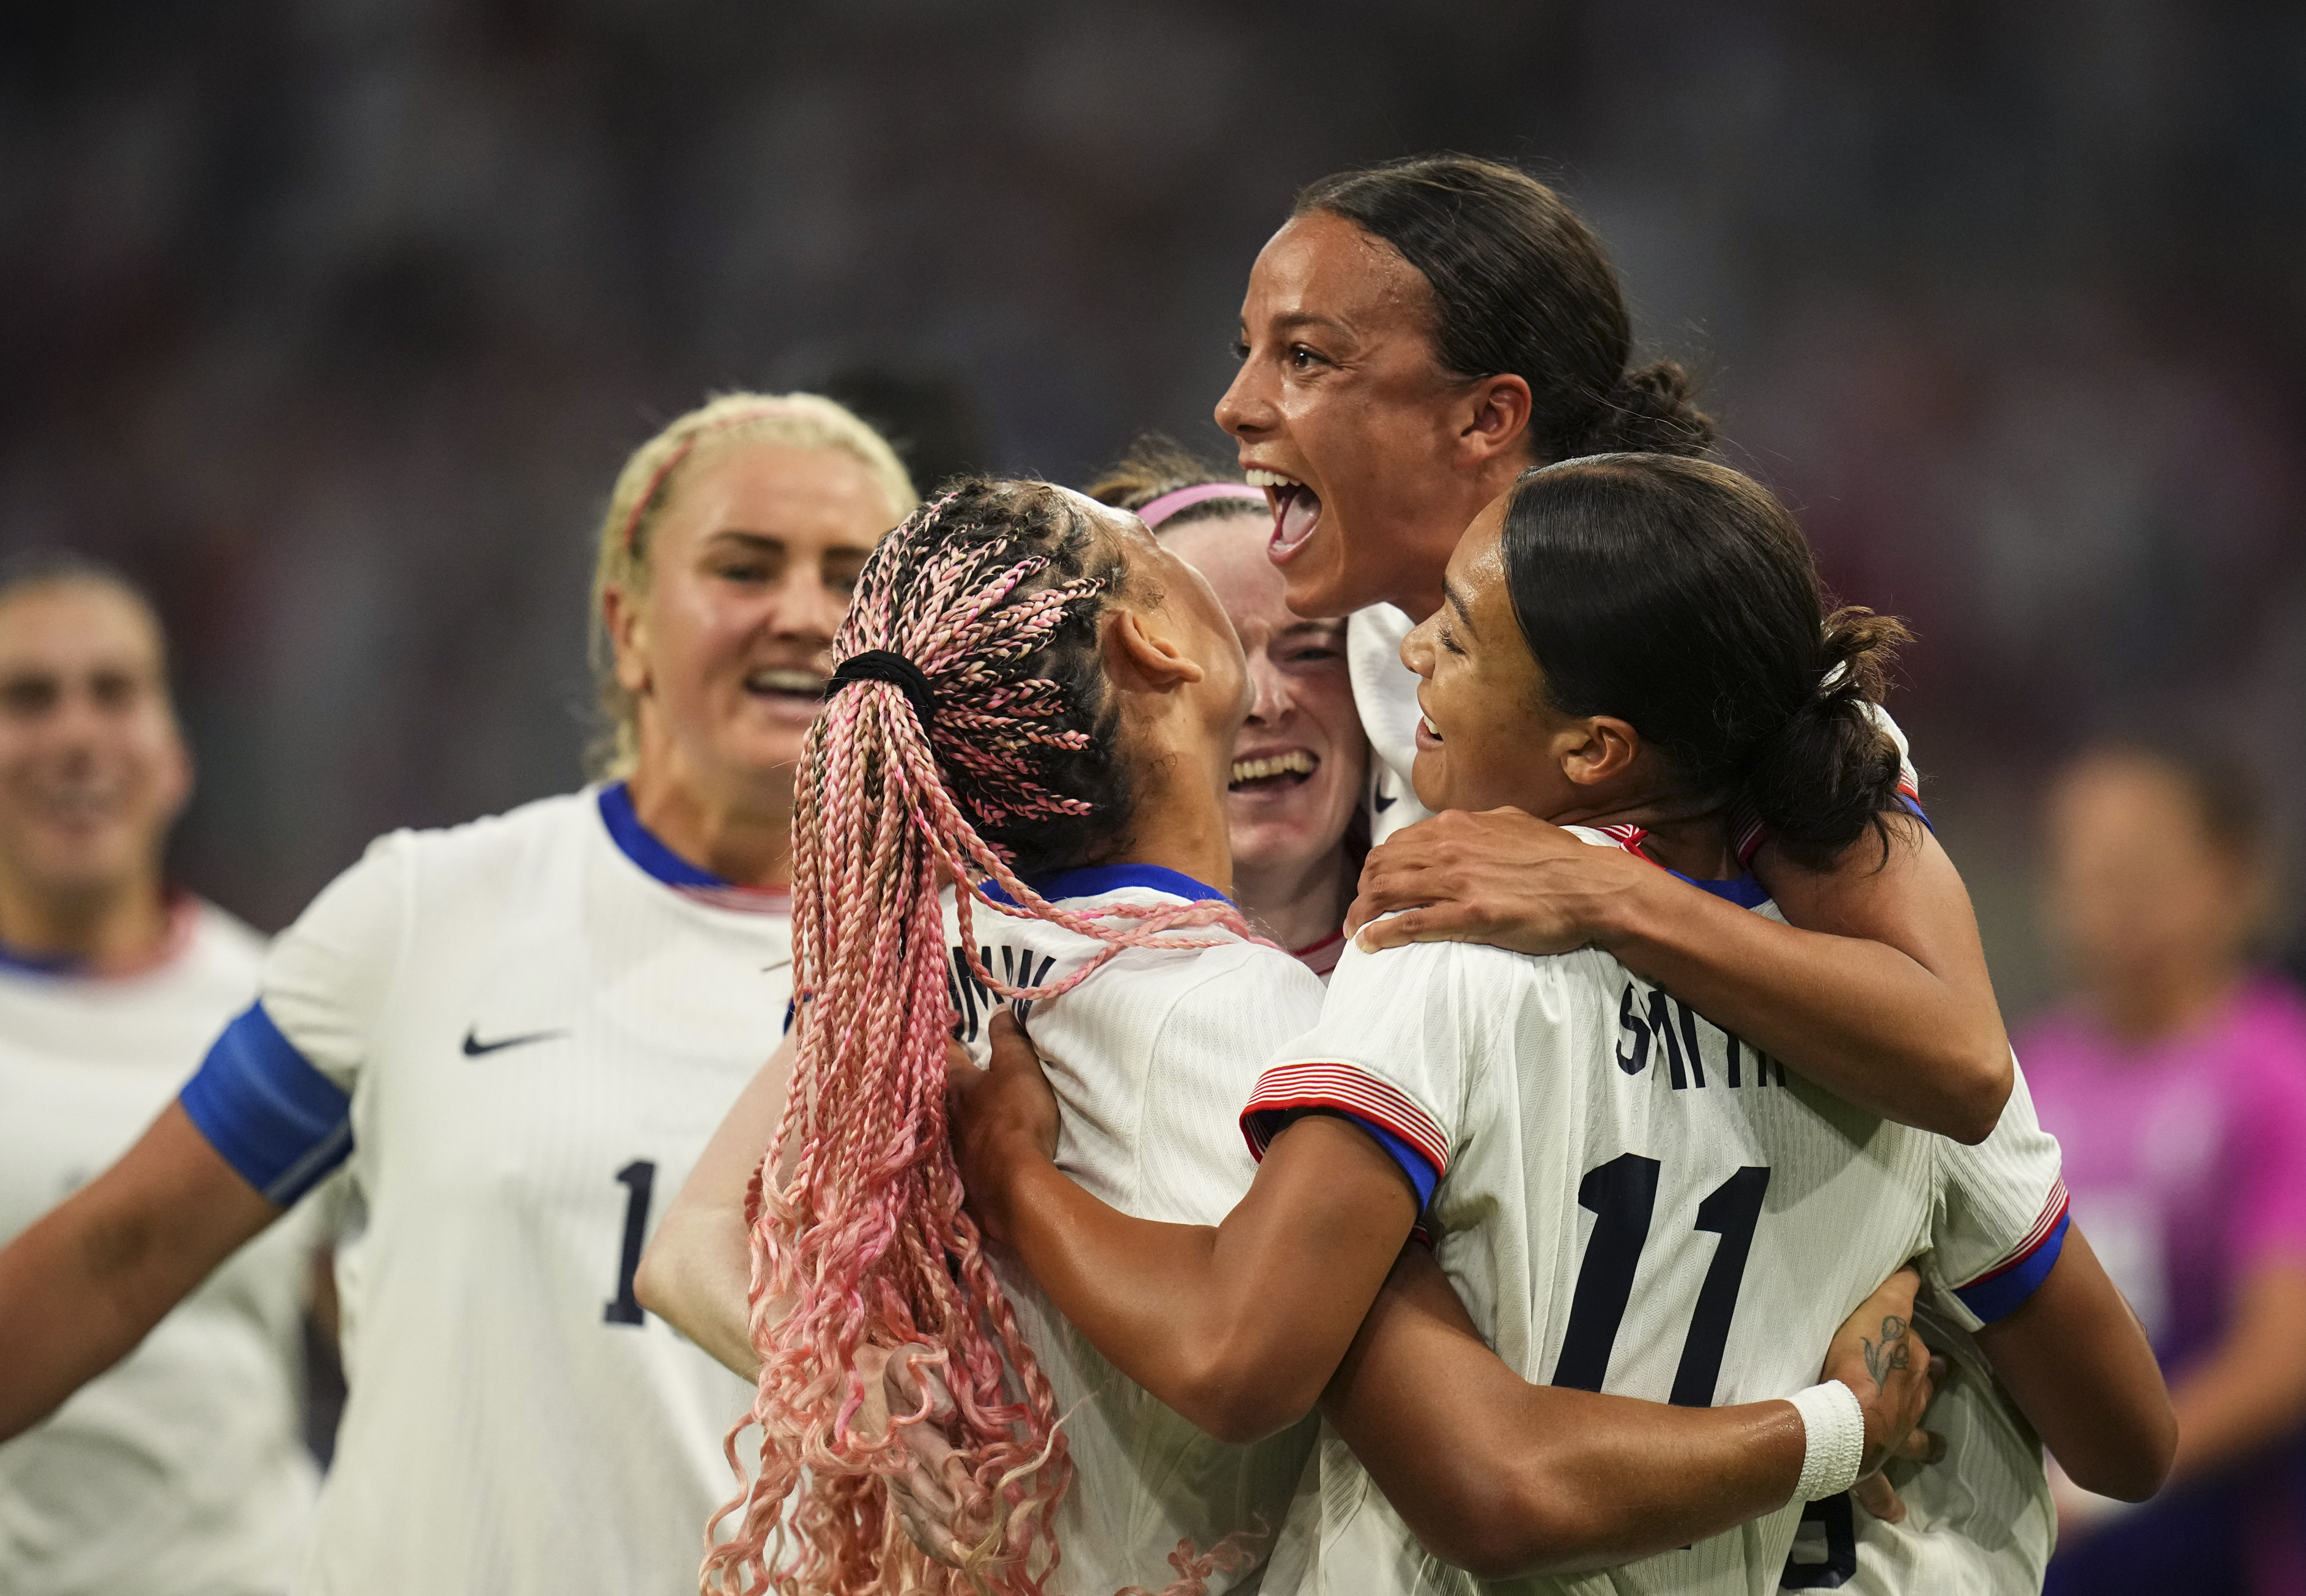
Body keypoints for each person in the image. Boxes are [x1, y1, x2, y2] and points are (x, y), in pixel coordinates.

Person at [637, 478, 1948, 1595]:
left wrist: (864, 1395)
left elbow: (690, 1250)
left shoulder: (909, 969)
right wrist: (1834, 1353)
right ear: (1150, 645)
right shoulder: (1246, 1017)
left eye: (1318, 645)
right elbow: (1483, 1448)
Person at [951, 455, 2173, 1595]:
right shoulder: (1894, 1031)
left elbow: (1277, 1371)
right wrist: (1855, 1410)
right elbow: (2126, 1439)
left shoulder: (1437, 951)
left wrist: (1010, 1172)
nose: (1410, 653)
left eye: (1458, 634)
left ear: (1594, 747)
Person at [0, 392, 918, 1595]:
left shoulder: (962, 985)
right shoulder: (423, 915)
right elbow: (119, 1259)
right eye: (744, 567)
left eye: (850, 576)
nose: (801, 612)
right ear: (627, 625)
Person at [1216, 153, 2013, 1143]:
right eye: (1249, 350)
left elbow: (1963, 1064)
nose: (1237, 404)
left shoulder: (1703, 665)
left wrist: (1602, 888)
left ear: (1487, 417)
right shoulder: (1327, 657)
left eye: (1304, 358)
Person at [0, 554, 319, 1596]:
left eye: (116, 691)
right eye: (28, 697)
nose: (78, 734)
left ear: (175, 752)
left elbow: (392, 1317)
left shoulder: (290, 1012)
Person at [2022, 740, 2306, 1596]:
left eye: (2138, 866)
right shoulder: (2018, 1076)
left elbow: (2288, 1355)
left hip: (2232, 1548)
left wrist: (2097, 1485)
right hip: (2058, 1555)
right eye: (2081, 867)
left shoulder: (2289, 1070)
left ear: (2233, 875)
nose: (2106, 899)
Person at [1086, 436, 1369, 974]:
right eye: (1206, 659)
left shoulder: (1472, 956)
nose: (1264, 701)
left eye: (1312, 652)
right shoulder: (1024, 987)